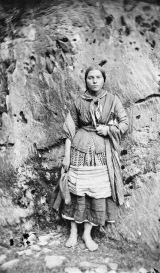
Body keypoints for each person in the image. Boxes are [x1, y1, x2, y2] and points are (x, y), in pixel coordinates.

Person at [53, 66, 128, 251]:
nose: (94, 80)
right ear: (85, 80)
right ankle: (72, 231)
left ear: (103, 79)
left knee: (97, 192)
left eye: (98, 77)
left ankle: (87, 234)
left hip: (103, 155)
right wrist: (67, 157)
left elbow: (125, 122)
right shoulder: (78, 101)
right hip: (79, 152)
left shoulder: (112, 100)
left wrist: (109, 129)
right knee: (76, 190)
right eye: (90, 77)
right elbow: (70, 130)